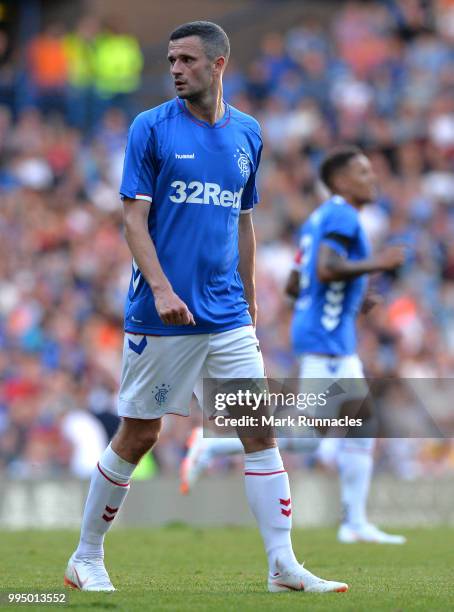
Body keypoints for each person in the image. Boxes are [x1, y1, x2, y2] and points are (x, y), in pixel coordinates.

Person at [63, 21, 347, 594]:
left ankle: (281, 565)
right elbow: (132, 220)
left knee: (257, 429)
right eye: (170, 59)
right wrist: (163, 290)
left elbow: (242, 222)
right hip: (162, 313)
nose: (175, 69)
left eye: (187, 59)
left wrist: (251, 295)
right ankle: (85, 556)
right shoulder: (151, 128)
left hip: (227, 314)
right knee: (139, 434)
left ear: (218, 65)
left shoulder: (248, 132)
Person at [181, 146, 407, 545]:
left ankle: (354, 522)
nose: (372, 178)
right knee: (313, 435)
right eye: (363, 171)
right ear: (338, 181)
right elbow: (326, 268)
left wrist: (353, 296)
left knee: (360, 428)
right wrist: (378, 265)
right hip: (327, 339)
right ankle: (213, 444)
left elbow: (295, 282)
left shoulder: (319, 218)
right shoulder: (340, 214)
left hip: (326, 333)